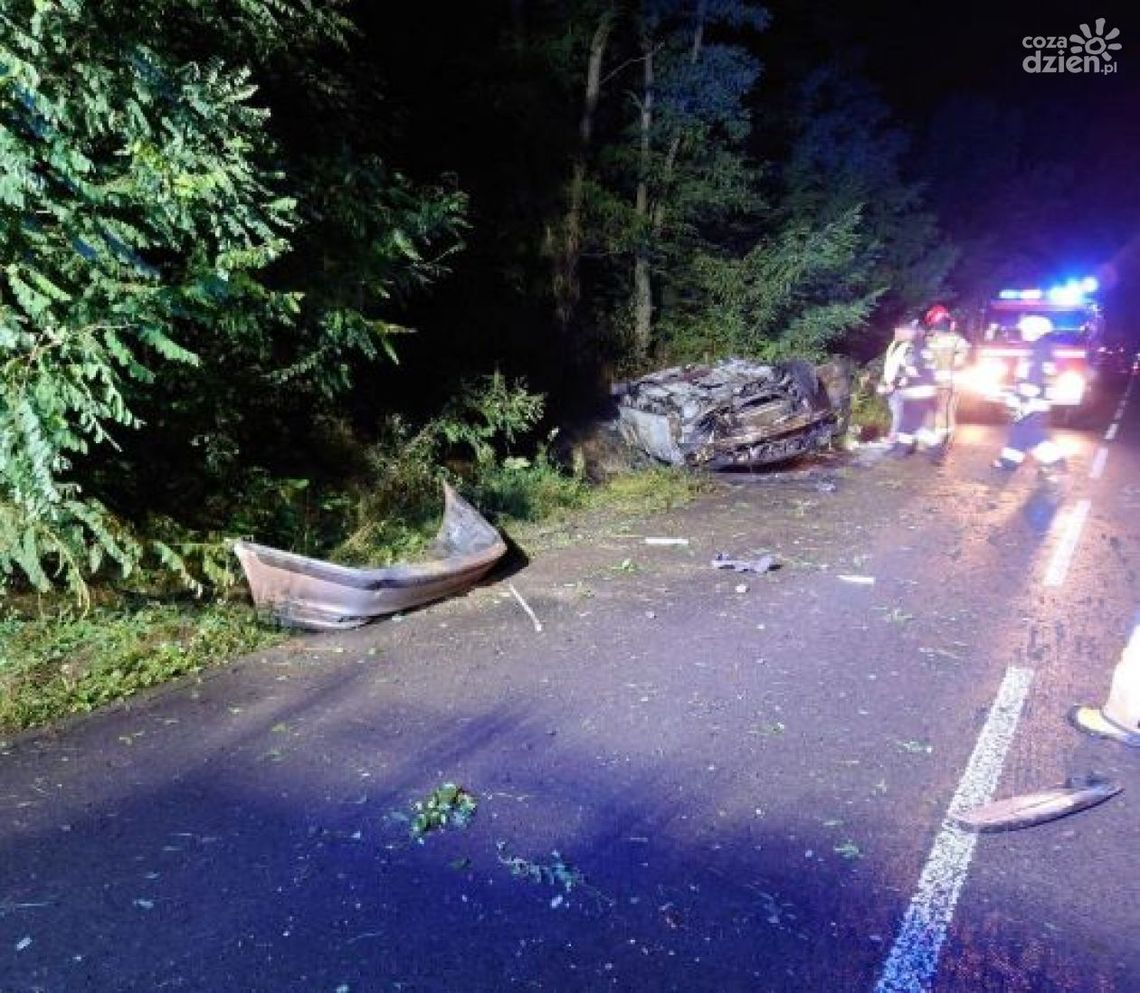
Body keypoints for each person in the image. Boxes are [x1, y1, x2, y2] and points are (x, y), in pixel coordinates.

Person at [991, 314, 1067, 478]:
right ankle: (1008, 462)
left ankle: (1055, 462)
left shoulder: (1039, 348)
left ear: (1035, 330)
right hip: (1034, 399)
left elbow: (1034, 377)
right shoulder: (1040, 346)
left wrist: (1021, 399)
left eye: (1024, 328)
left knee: (1034, 435)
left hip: (1032, 400)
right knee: (1019, 430)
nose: (1021, 331)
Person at [922, 304, 970, 453]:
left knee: (938, 411)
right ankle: (946, 440)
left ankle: (939, 442)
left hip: (936, 383)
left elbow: (924, 361)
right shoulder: (957, 340)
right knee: (948, 411)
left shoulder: (928, 339)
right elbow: (961, 361)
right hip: (952, 383)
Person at [889, 322, 941, 458]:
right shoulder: (924, 347)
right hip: (924, 391)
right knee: (908, 423)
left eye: (902, 330)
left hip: (918, 392)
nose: (898, 334)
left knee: (912, 423)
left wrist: (896, 382)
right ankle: (900, 449)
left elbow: (911, 371)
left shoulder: (915, 349)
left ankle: (935, 446)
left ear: (912, 332)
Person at [877, 323, 914, 443]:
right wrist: (883, 382)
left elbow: (908, 369)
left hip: (899, 386)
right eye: (895, 331)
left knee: (898, 411)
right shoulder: (893, 345)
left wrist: (894, 383)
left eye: (899, 332)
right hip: (889, 383)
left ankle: (894, 436)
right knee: (894, 410)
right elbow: (888, 366)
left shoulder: (908, 347)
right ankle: (894, 434)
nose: (896, 334)